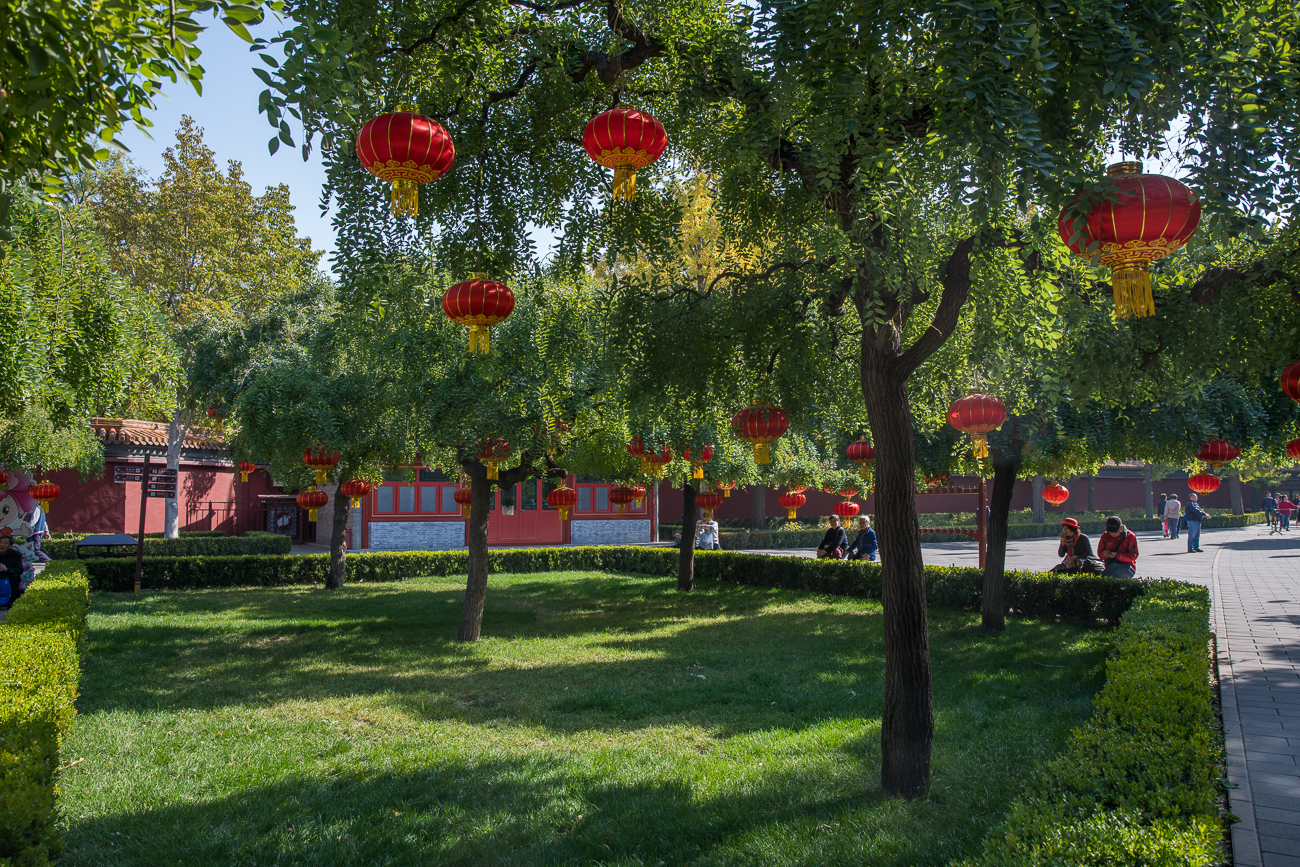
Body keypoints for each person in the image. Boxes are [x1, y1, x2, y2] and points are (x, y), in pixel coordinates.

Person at [0, 532, 27, 609]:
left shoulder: (16, 555)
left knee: (14, 577)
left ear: (10, 546)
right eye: (0, 542)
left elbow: (19, 570)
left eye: (5, 543)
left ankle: (10, 602)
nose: (2, 545)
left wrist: (6, 569)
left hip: (8, 575)